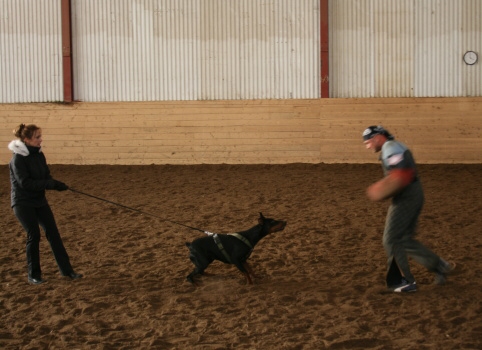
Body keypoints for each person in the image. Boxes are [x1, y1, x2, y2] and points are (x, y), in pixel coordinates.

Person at [362, 125, 454, 292]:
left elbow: (401, 175)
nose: (368, 146)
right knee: (404, 239)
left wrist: (380, 189)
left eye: (368, 142)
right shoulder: (394, 146)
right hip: (413, 194)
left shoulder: (391, 148)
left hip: (406, 197)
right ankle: (439, 265)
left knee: (391, 239)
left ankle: (404, 282)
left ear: (377, 138)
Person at [8, 124, 83, 285]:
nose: (41, 140)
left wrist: (57, 184)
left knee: (53, 233)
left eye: (40, 136)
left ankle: (67, 271)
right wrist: (48, 184)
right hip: (22, 202)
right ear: (26, 140)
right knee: (34, 235)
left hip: (39, 201)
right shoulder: (18, 159)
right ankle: (33, 274)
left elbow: (46, 176)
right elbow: (25, 183)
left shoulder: (39, 155)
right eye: (37, 137)